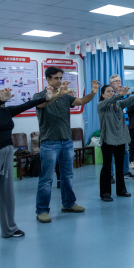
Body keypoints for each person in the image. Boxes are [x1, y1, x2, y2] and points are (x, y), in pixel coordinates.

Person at [0, 83, 63, 251]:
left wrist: (45, 98)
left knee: (7, 194)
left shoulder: (5, 111)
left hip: (6, 155)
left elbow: (25, 105)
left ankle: (9, 228)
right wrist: (0, 101)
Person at [34, 66, 101, 223]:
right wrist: (58, 94)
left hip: (66, 141)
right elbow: (41, 104)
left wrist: (93, 92)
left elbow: (81, 101)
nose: (59, 81)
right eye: (55, 78)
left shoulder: (65, 95)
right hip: (49, 142)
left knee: (67, 175)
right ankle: (42, 210)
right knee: (46, 179)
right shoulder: (39, 95)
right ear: (48, 79)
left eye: (60, 78)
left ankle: (68, 204)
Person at [98, 83, 134, 201]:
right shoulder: (101, 105)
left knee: (120, 166)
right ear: (103, 95)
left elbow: (129, 101)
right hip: (108, 139)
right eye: (108, 91)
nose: (111, 93)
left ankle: (121, 190)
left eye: (112, 91)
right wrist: (119, 95)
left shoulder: (118, 105)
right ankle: (105, 193)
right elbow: (113, 99)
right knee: (106, 167)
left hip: (120, 139)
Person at [108, 75, 134, 180]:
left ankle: (125, 172)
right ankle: (110, 175)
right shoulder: (109, 94)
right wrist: (118, 94)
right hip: (112, 128)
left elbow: (130, 105)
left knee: (125, 151)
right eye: (116, 81)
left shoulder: (124, 95)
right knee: (110, 152)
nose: (118, 82)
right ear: (111, 84)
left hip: (123, 126)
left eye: (119, 81)